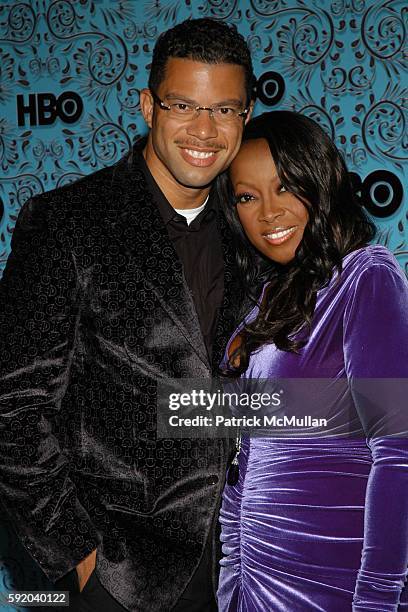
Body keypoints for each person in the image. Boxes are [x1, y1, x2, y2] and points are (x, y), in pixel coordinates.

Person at [0, 18, 255, 612]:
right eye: (183, 105)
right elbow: (13, 402)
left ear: (245, 117)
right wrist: (81, 554)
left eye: (224, 110)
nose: (204, 130)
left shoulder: (257, 225)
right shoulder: (69, 221)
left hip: (249, 559)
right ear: (147, 106)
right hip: (123, 571)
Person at [216, 111, 408, 611]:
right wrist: (231, 585)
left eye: (285, 187)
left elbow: (399, 454)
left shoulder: (365, 277)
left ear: (319, 182)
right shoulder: (263, 303)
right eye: (246, 196)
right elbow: (244, 466)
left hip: (335, 588)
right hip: (258, 586)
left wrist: (378, 601)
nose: (268, 213)